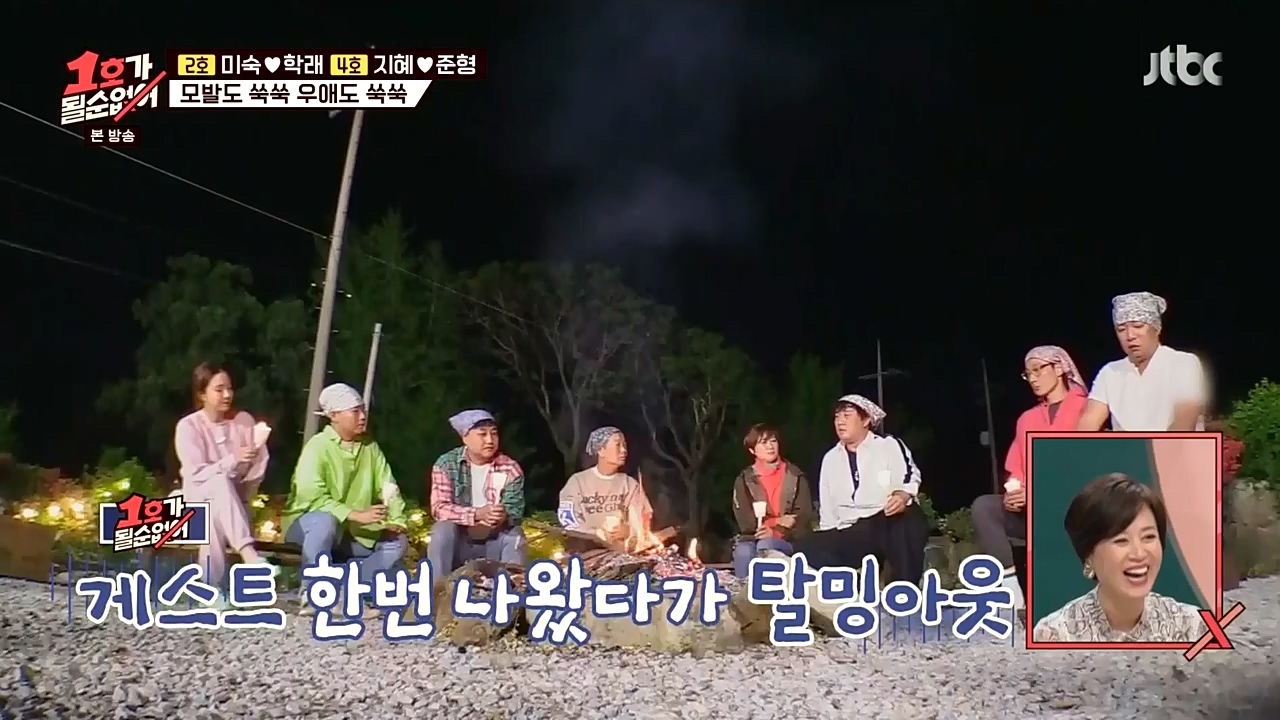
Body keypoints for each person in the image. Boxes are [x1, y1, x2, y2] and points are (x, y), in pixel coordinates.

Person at [972, 346, 1089, 610]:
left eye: (1038, 370)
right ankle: (1013, 589)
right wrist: (1014, 493)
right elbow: (1016, 468)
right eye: (1028, 374)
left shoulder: (1087, 409)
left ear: (1059, 368)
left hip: (1072, 503)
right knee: (985, 507)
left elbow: (1082, 463)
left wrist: (1038, 492)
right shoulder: (1027, 419)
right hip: (1031, 508)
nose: (1033, 378)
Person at [1033, 473, 1207, 643]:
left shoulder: (1192, 627)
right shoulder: (1055, 635)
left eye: (1148, 537)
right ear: (1089, 556)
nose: (1139, 553)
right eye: (1121, 540)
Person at [282, 383, 408, 616]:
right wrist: (355, 514)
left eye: (363, 410)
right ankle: (313, 594)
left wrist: (397, 520)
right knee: (324, 521)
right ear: (334, 416)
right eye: (355, 411)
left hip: (351, 532)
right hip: (307, 527)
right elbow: (311, 496)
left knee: (395, 543)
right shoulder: (318, 447)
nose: (363, 416)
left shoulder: (370, 447)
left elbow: (389, 486)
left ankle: (350, 594)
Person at [789, 395, 929, 582]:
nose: (840, 422)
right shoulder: (831, 458)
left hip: (885, 521)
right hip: (851, 529)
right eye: (837, 417)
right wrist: (827, 532)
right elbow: (827, 506)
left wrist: (902, 495)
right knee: (804, 547)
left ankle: (903, 591)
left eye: (847, 416)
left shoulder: (888, 445)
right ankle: (853, 587)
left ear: (866, 420)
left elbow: (909, 476)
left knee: (907, 519)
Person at [173, 363, 274, 600]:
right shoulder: (188, 426)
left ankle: (210, 591)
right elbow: (196, 474)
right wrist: (231, 460)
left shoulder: (243, 421)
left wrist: (251, 458)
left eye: (229, 388)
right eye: (219, 390)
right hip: (195, 499)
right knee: (217, 484)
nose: (227, 394)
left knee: (212, 517)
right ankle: (249, 554)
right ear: (202, 394)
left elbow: (257, 469)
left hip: (233, 505)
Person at [1076, 291, 1207, 432]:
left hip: (1174, 445)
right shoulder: (1110, 372)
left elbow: (1183, 424)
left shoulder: (1184, 363)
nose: (1130, 336)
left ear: (1156, 328)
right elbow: (1088, 422)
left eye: (1138, 326)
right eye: (1121, 329)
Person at [428, 409, 527, 573]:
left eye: (494, 434)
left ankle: (511, 585)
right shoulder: (446, 464)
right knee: (442, 530)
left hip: (494, 538)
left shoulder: (510, 468)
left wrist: (503, 515)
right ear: (465, 438)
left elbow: (515, 511)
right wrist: (477, 514)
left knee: (515, 535)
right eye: (482, 434)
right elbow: (439, 508)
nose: (490, 440)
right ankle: (437, 586)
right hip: (459, 539)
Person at [730, 424, 814, 577]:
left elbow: (803, 516)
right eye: (763, 442)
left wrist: (777, 532)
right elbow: (746, 521)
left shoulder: (795, 476)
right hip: (754, 537)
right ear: (752, 450)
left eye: (773, 441)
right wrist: (776, 521)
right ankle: (743, 590)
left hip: (788, 539)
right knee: (743, 551)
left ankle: (769, 590)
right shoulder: (744, 480)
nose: (770, 446)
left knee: (766, 546)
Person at [558, 426, 653, 543]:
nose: (624, 450)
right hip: (586, 549)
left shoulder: (629, 484)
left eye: (624, 445)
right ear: (601, 450)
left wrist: (629, 530)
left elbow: (644, 518)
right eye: (618, 445)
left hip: (622, 551)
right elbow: (568, 520)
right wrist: (596, 534)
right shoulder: (577, 482)